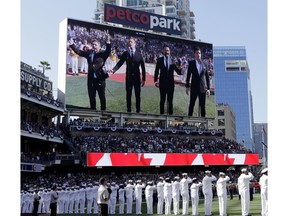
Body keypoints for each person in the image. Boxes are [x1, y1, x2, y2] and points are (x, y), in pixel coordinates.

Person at [69, 30, 111, 111]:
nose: (94, 46)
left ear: (99, 46)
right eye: (93, 45)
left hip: (100, 79)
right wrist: (72, 45)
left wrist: (108, 41)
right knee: (92, 96)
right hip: (91, 79)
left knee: (102, 96)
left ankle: (103, 111)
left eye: (95, 45)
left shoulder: (103, 54)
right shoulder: (89, 53)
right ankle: (93, 110)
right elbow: (79, 52)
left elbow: (108, 50)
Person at [110, 36, 146, 113]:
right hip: (129, 77)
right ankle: (128, 110)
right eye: (129, 42)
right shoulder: (125, 53)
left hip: (137, 78)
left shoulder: (139, 54)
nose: (130, 43)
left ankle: (138, 111)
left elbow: (143, 67)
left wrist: (143, 79)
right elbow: (119, 63)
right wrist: (113, 70)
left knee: (137, 95)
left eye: (131, 42)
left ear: (135, 43)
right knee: (128, 95)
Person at [154, 45, 183, 115]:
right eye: (165, 50)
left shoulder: (173, 61)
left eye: (168, 50)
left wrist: (181, 66)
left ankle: (170, 117)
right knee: (162, 100)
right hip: (162, 83)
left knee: (170, 101)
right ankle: (161, 116)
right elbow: (156, 71)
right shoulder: (160, 60)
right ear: (163, 51)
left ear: (170, 52)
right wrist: (155, 80)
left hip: (170, 84)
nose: (167, 52)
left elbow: (178, 72)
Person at [185, 47, 210, 117]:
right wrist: (187, 87)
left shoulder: (205, 63)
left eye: (199, 53)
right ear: (194, 54)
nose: (198, 54)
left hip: (202, 89)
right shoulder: (191, 63)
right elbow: (188, 76)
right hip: (194, 88)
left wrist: (208, 88)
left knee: (203, 106)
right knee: (191, 104)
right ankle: (188, 120)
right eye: (196, 53)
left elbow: (207, 77)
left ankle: (203, 123)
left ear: (201, 54)